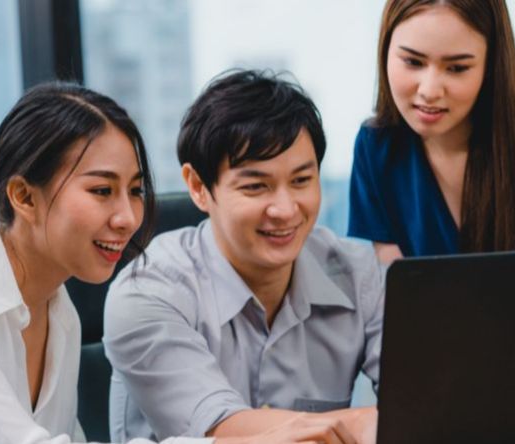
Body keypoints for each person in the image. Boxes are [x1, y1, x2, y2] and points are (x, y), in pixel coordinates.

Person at [0, 83, 355, 444]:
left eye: (135, 191)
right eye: (102, 190)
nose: (128, 217)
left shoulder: (60, 313)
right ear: (24, 197)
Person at [103, 70, 382, 444]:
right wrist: (369, 423)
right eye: (256, 187)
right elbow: (222, 430)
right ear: (199, 188)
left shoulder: (358, 274)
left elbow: (427, 400)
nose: (285, 210)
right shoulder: (148, 292)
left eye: (301, 181)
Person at [348, 0, 515, 263]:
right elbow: (404, 297)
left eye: (457, 68)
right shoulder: (376, 148)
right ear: (385, 50)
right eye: (413, 62)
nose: (429, 90)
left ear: (491, 65)